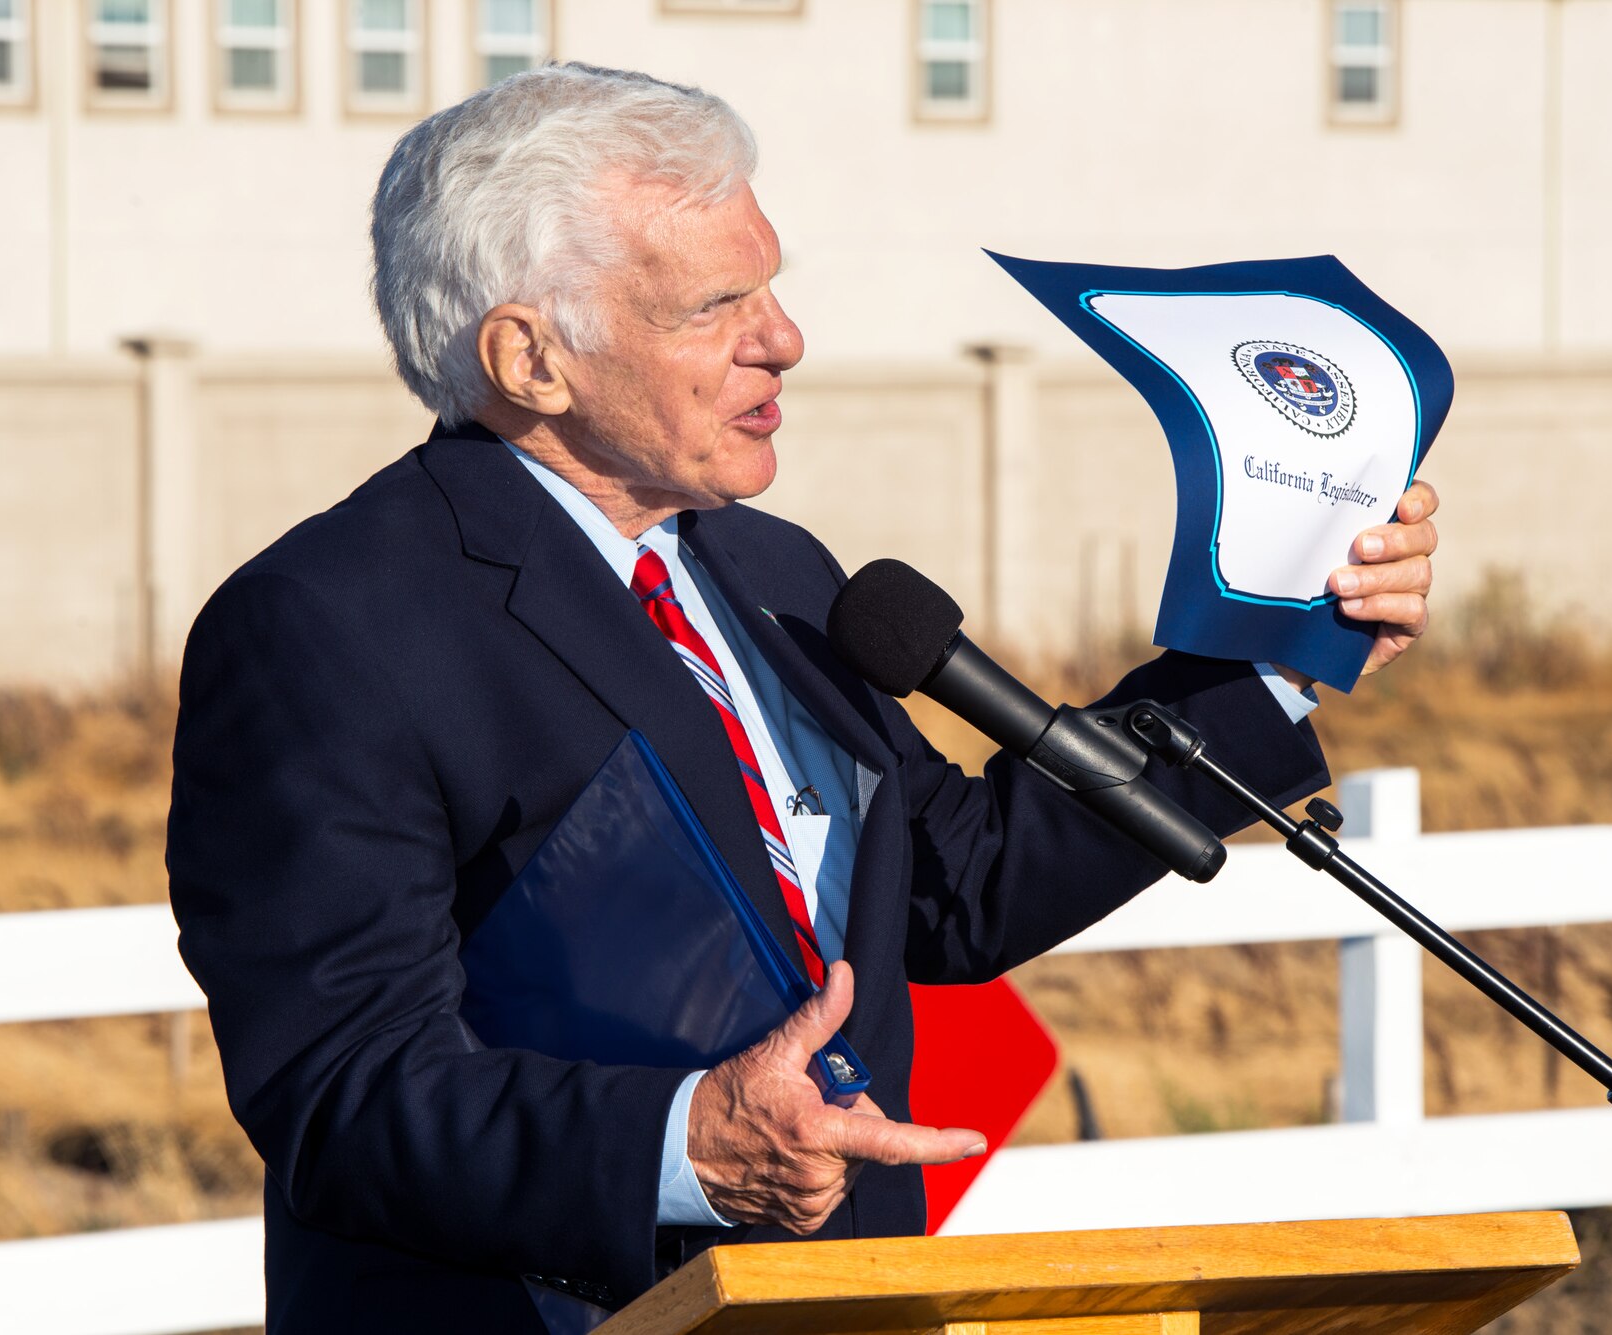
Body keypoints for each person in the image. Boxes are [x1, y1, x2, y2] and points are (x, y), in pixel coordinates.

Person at [166, 63, 1440, 1334]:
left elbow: (947, 889)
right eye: (716, 303)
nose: (781, 336)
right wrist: (687, 1144)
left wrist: (1282, 644)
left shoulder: (769, 570)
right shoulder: (324, 624)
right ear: (530, 358)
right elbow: (342, 1091)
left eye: (769, 284)